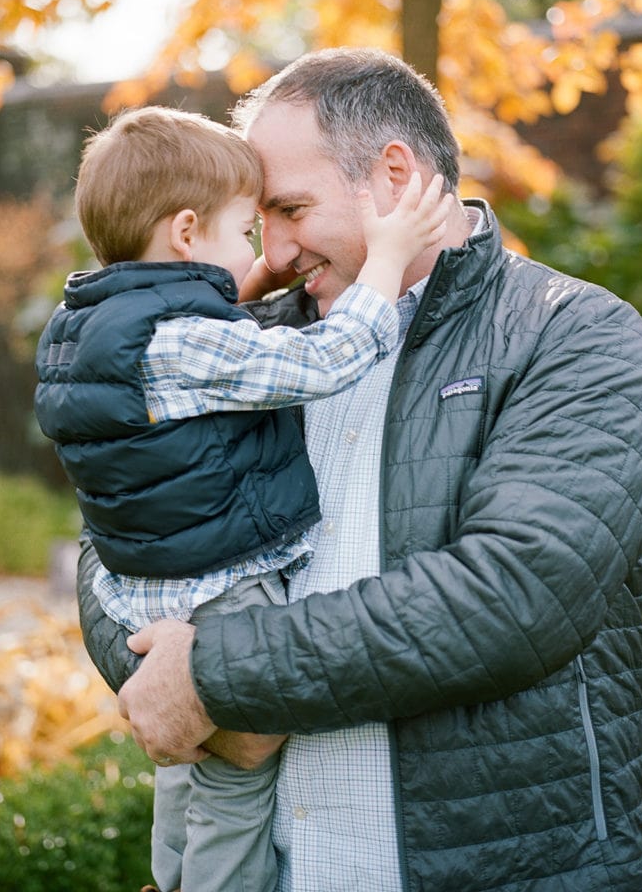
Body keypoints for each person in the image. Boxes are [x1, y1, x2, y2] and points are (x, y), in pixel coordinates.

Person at [77, 50, 642, 892]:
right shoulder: (247, 340)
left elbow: (513, 594)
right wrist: (170, 688)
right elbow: (116, 530)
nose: (270, 246)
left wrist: (215, 679)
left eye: (290, 209)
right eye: (254, 218)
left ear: (391, 176)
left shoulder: (572, 335)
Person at [35, 104, 451, 892]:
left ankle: (173, 878)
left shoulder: (78, 327)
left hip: (146, 599)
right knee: (237, 778)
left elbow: (176, 398)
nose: (260, 252)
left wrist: (241, 290)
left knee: (183, 764)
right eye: (246, 233)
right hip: (223, 590)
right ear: (188, 235)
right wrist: (384, 264)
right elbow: (324, 360)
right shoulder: (189, 339)